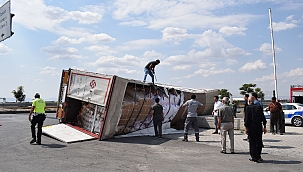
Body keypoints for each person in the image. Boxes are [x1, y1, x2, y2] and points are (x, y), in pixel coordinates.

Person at [245, 96, 267, 163]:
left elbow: (247, 119)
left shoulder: (248, 108)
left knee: (252, 142)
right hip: (259, 125)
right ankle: (258, 155)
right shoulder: (259, 107)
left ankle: (254, 157)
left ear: (249, 101)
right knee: (259, 141)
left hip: (252, 126)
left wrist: (246, 127)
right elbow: (263, 117)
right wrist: (264, 126)